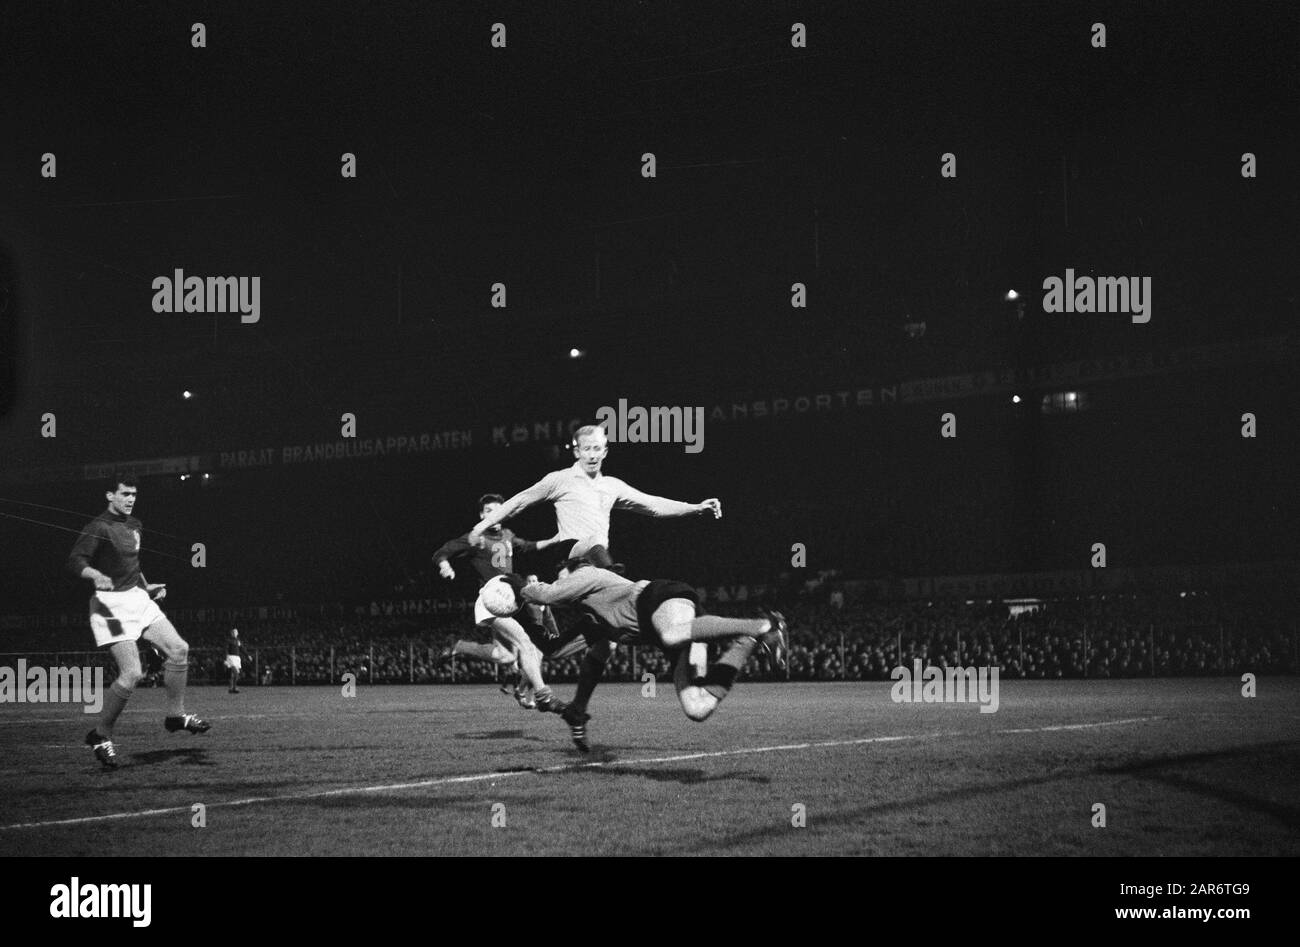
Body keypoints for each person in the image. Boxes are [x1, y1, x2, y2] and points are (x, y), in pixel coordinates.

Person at [493, 560, 787, 751]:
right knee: (697, 708)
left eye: (561, 578)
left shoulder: (587, 574)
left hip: (659, 598)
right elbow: (554, 650)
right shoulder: (598, 621)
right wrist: (530, 621)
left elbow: (546, 594)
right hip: (678, 633)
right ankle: (748, 641)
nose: (561, 584)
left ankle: (764, 624)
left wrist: (515, 585)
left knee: (671, 632)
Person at [69, 474, 210, 770]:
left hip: (136, 597)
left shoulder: (135, 525)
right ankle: (100, 734)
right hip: (109, 605)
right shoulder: (99, 526)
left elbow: (134, 565)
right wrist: (95, 575)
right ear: (110, 495)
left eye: (134, 494)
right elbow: (76, 561)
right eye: (125, 494)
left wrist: (147, 588)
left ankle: (175, 716)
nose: (131, 499)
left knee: (179, 649)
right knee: (133, 673)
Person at [468, 424, 721, 572]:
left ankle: (555, 646)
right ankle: (609, 576)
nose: (592, 454)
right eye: (586, 448)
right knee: (592, 542)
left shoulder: (612, 486)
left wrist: (696, 508)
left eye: (597, 448)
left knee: (604, 643)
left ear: (605, 451)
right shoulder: (559, 479)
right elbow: (519, 501)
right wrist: (481, 526)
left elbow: (653, 505)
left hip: (600, 561)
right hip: (574, 559)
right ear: (577, 451)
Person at [432, 493, 567, 713]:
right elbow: (442, 552)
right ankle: (542, 694)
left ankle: (459, 647)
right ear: (481, 515)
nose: (493, 515)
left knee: (506, 656)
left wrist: (553, 539)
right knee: (527, 642)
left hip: (509, 601)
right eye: (488, 511)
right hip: (491, 600)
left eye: (498, 510)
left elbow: (528, 546)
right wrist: (444, 565)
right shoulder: (476, 537)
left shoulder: (507, 535)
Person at [224, 628, 246, 693]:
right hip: (231, 658)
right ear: (231, 633)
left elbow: (242, 648)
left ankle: (231, 688)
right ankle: (234, 687)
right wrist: (225, 658)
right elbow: (226, 649)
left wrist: (248, 656)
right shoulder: (228, 640)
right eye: (233, 632)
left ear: (237, 633)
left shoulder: (238, 641)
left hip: (237, 658)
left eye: (235, 632)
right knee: (236, 673)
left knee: (233, 674)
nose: (234, 633)